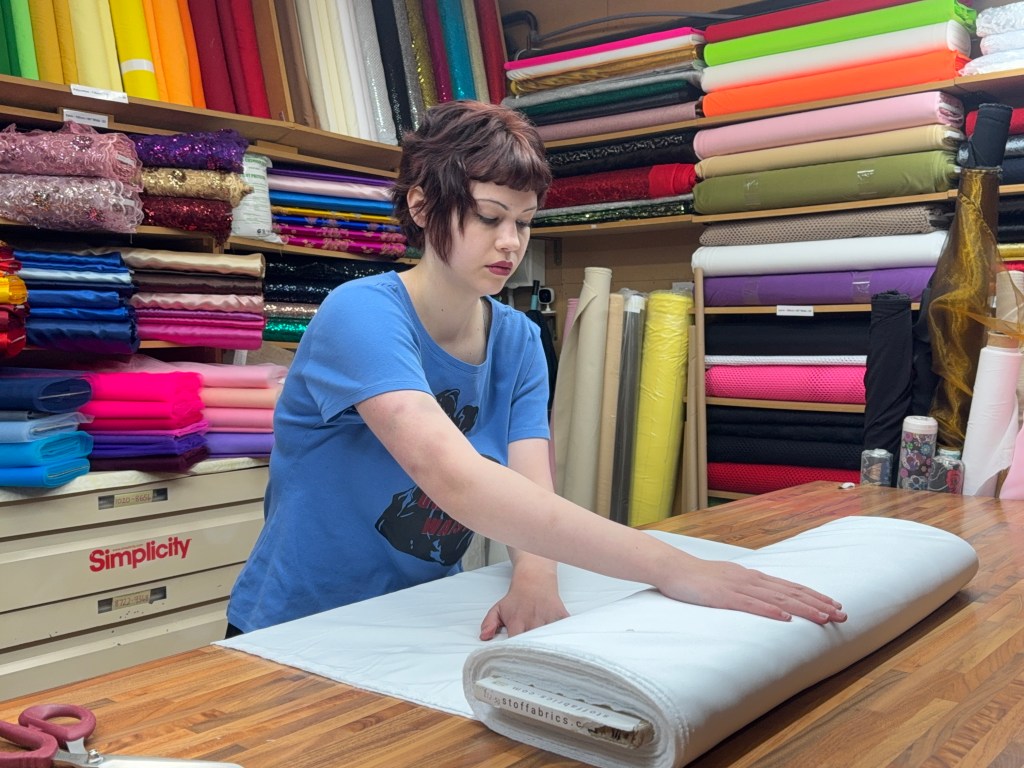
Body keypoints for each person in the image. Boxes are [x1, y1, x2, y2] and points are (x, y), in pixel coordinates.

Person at [226, 100, 847, 639]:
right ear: (421, 206)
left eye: (524, 222)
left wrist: (535, 573)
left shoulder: (519, 339)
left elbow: (529, 482)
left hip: (417, 612)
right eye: (489, 217)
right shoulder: (361, 313)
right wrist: (672, 566)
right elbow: (453, 477)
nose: (510, 243)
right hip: (297, 623)